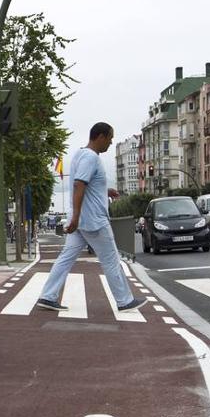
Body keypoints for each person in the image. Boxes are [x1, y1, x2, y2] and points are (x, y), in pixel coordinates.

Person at [35, 123, 146, 313]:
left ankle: (48, 296)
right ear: (100, 136)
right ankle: (124, 300)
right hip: (94, 220)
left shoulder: (79, 154)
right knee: (111, 259)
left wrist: (105, 191)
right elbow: (80, 185)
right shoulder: (91, 158)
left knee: (66, 258)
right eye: (110, 139)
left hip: (82, 221)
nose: (110, 143)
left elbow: (87, 184)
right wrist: (77, 217)